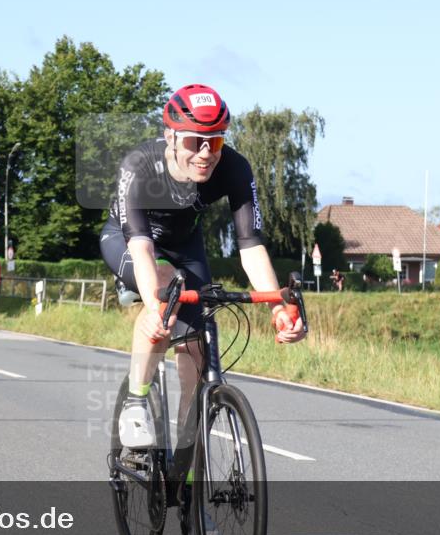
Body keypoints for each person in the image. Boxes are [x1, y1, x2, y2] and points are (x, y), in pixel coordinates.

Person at [100, 84, 307, 448]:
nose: (207, 153)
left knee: (197, 351)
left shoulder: (234, 168)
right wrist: (157, 308)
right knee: (165, 299)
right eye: (196, 141)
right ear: (171, 136)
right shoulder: (140, 166)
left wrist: (277, 306)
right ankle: (135, 402)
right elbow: (143, 247)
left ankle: (187, 460)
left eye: (217, 141)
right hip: (132, 242)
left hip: (185, 246)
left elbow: (251, 245)